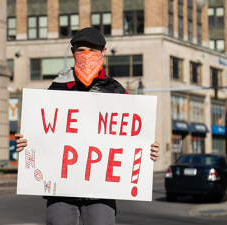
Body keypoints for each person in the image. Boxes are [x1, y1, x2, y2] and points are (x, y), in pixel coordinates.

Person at [15, 27, 160, 225]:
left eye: (93, 51)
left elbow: (132, 137)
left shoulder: (116, 91)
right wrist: (26, 142)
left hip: (102, 190)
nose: (86, 56)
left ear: (103, 53)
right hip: (61, 189)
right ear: (73, 52)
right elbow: (43, 131)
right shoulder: (57, 88)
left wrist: (147, 149)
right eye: (81, 50)